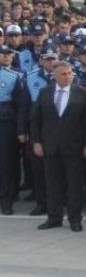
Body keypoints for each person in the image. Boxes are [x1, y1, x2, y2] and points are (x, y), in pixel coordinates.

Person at [31, 61, 86, 231]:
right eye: (63, 74)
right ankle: (54, 218)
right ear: (54, 76)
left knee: (74, 185)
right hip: (50, 146)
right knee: (52, 184)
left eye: (69, 73)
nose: (67, 77)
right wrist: (36, 141)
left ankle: (75, 219)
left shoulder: (82, 93)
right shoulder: (45, 93)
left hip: (74, 147)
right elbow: (36, 119)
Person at [0, 44, 29, 215]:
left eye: (8, 54)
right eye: (2, 54)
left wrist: (20, 129)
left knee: (7, 162)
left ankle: (7, 198)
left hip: (6, 123)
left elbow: (21, 105)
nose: (6, 57)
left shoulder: (18, 75)